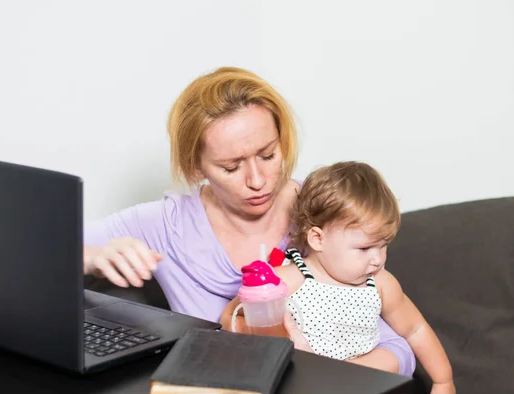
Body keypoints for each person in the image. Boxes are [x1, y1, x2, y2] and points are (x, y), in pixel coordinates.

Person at [82, 66, 415, 376]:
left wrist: (324, 378)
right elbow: (39, 248)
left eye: (268, 155)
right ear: (197, 167)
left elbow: (399, 349)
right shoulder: (166, 224)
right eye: (231, 166)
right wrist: (93, 258)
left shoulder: (321, 214)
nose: (258, 180)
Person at [223, 161, 455, 394]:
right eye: (364, 248)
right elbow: (230, 316)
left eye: (383, 245)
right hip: (302, 388)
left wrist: (443, 381)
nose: (377, 259)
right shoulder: (287, 280)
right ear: (317, 239)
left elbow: (415, 329)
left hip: (365, 390)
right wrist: (261, 331)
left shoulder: (381, 283)